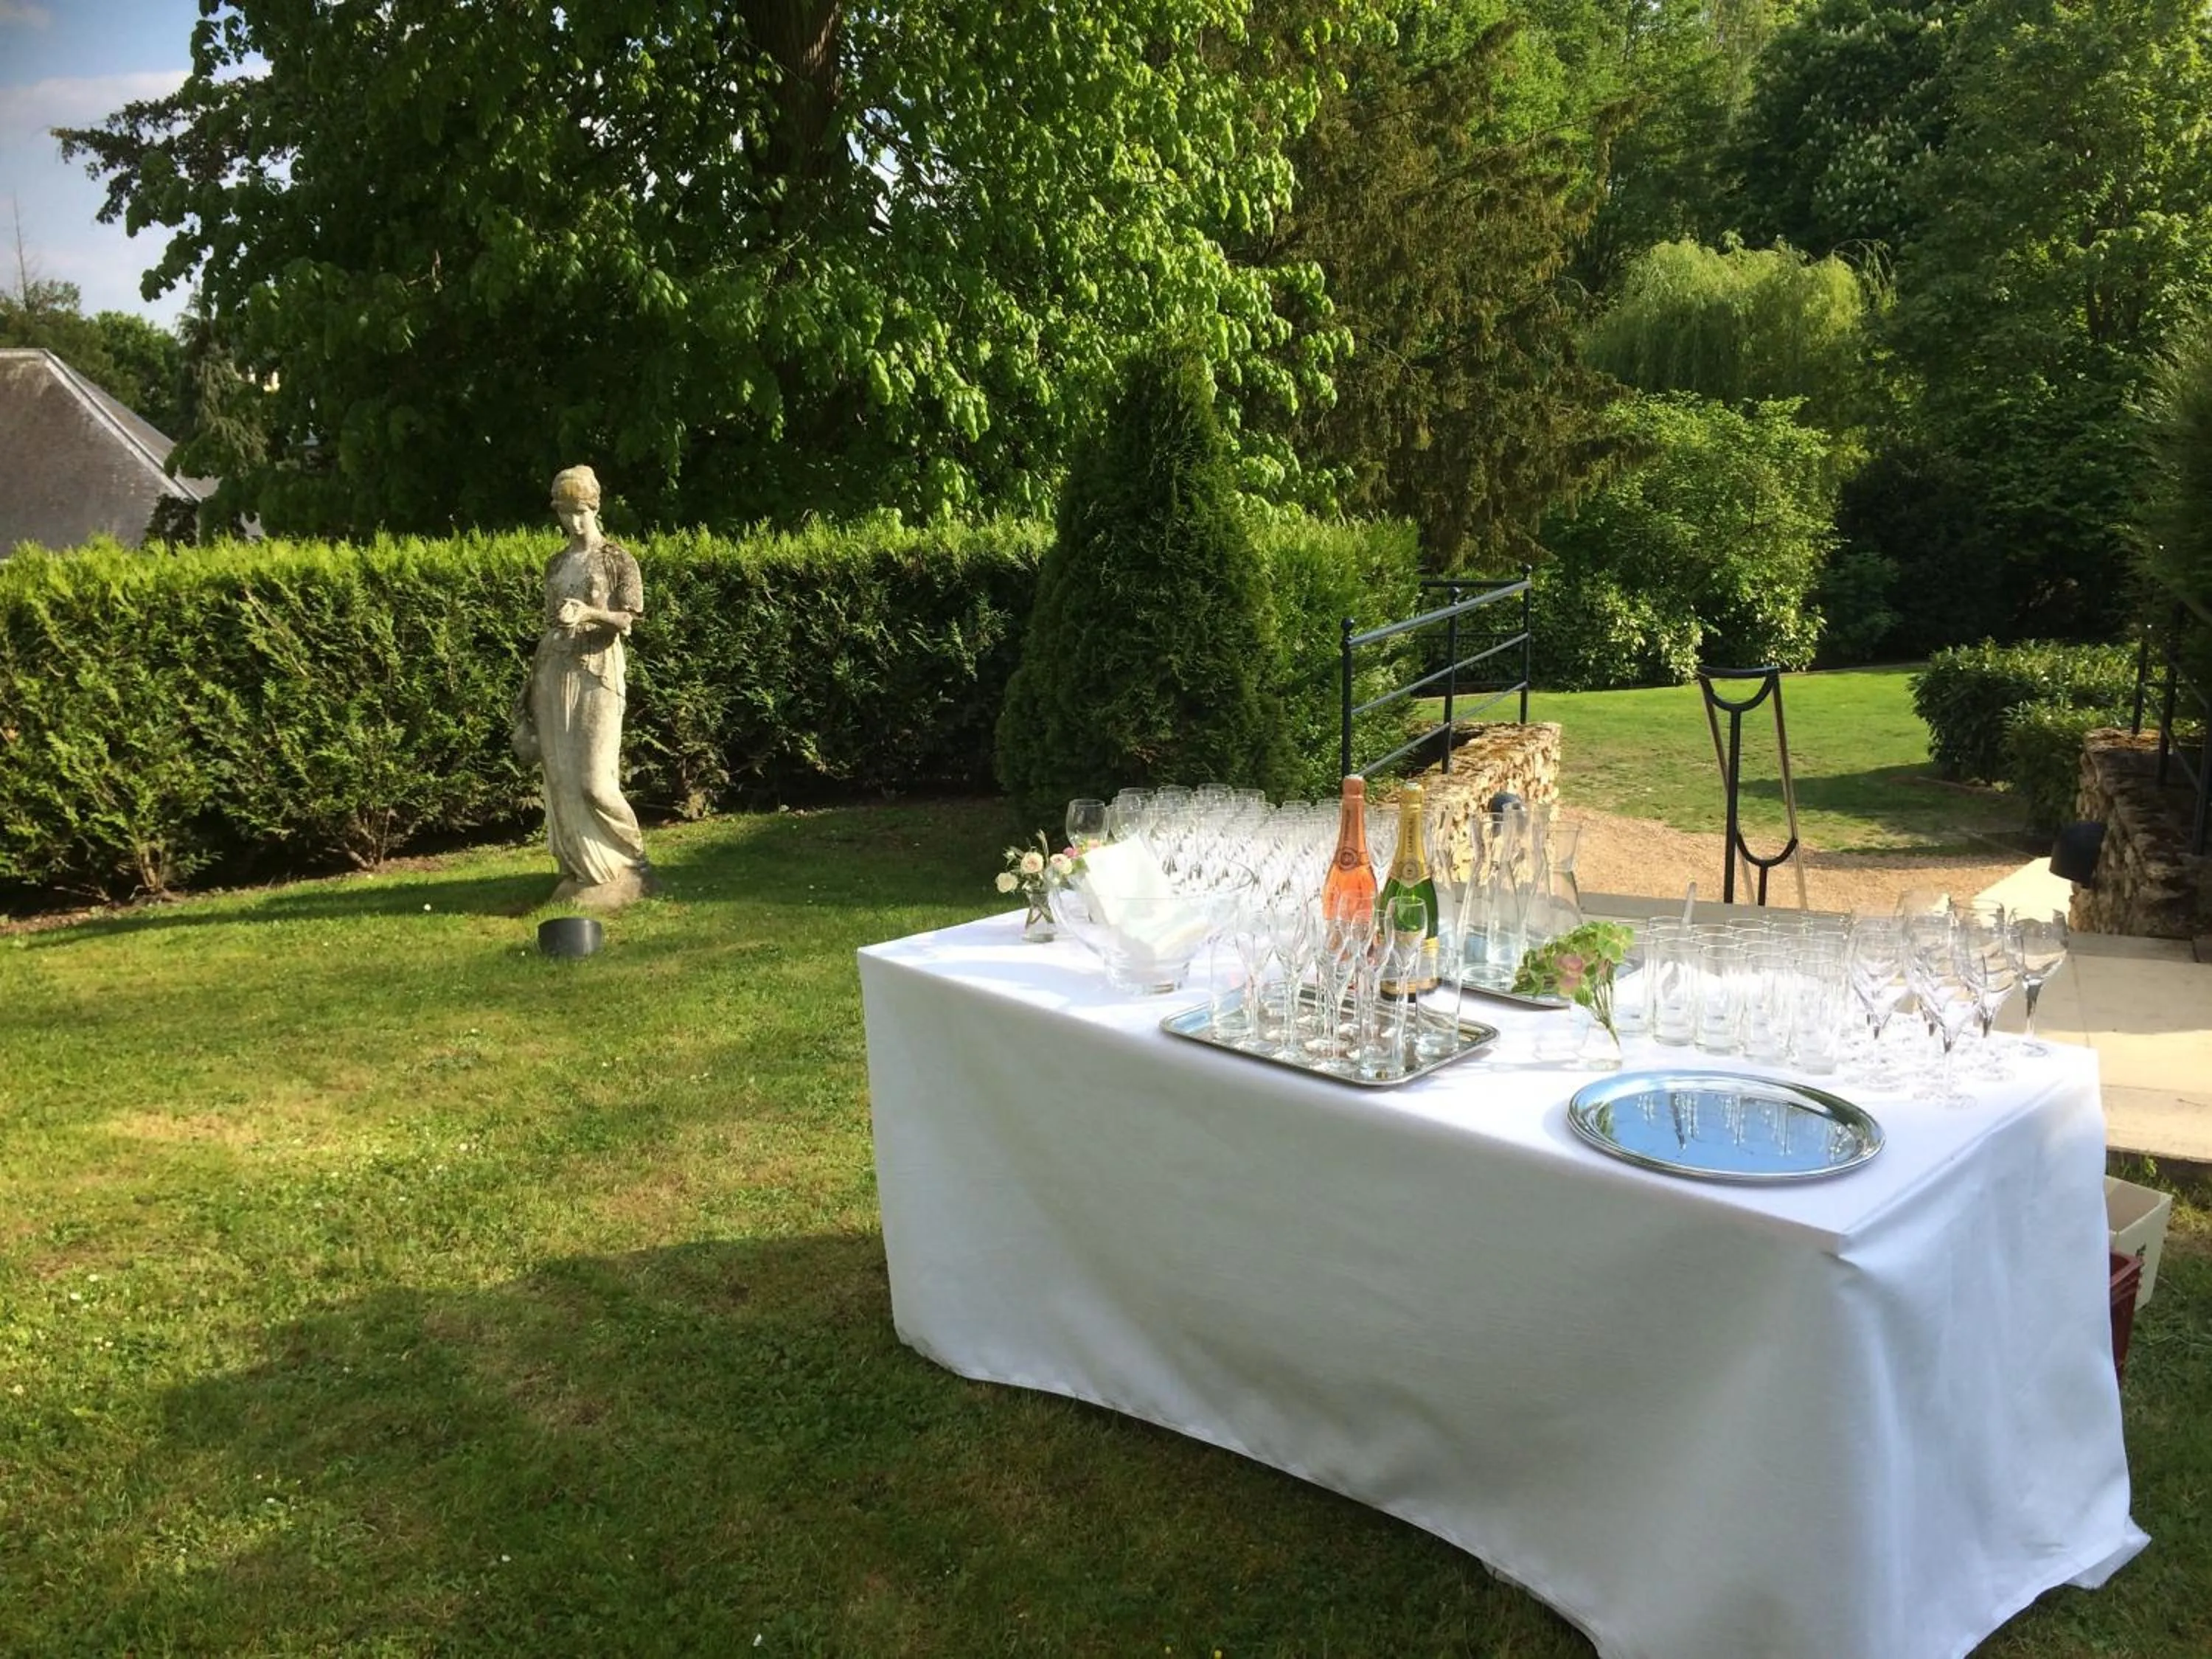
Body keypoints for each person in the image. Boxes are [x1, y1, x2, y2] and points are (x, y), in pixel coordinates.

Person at [515, 465, 658, 907]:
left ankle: (631, 861)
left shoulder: (617, 559)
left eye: (581, 512)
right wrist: (525, 701)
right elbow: (547, 628)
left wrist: (589, 613)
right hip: (554, 672)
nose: (574, 522)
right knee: (561, 778)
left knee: (596, 780)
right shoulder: (555, 564)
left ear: (595, 508)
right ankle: (581, 871)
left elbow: (628, 621)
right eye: (565, 513)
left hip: (599, 670)